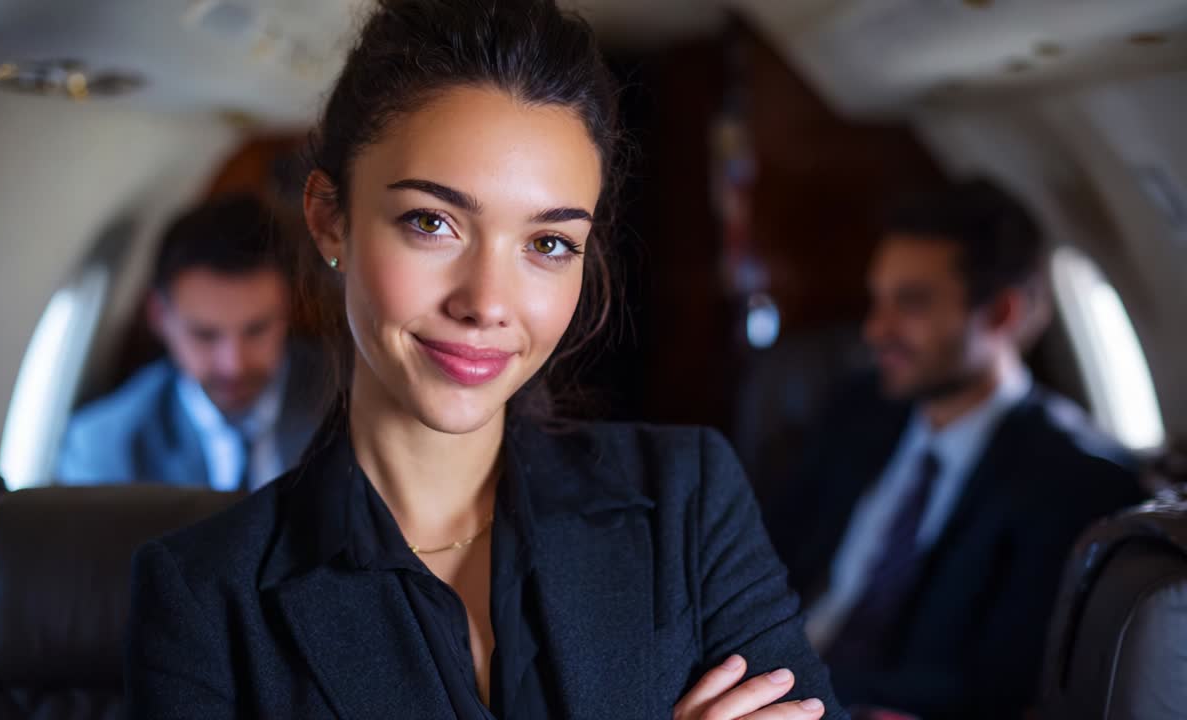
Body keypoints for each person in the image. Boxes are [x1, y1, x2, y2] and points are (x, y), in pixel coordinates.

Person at [124, 1, 847, 718]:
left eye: (547, 244)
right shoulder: (204, 599)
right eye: (432, 223)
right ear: (329, 218)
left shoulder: (689, 499)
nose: (488, 303)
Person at [765, 179, 1144, 719]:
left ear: (1001, 314)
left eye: (911, 303)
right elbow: (769, 558)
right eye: (877, 299)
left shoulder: (1077, 480)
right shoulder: (857, 412)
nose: (875, 330)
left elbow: (999, 684)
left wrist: (808, 692)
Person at [57, 193, 321, 490]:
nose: (232, 364)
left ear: (290, 308)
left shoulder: (357, 411)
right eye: (204, 335)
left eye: (256, 330)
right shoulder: (103, 448)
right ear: (159, 317)